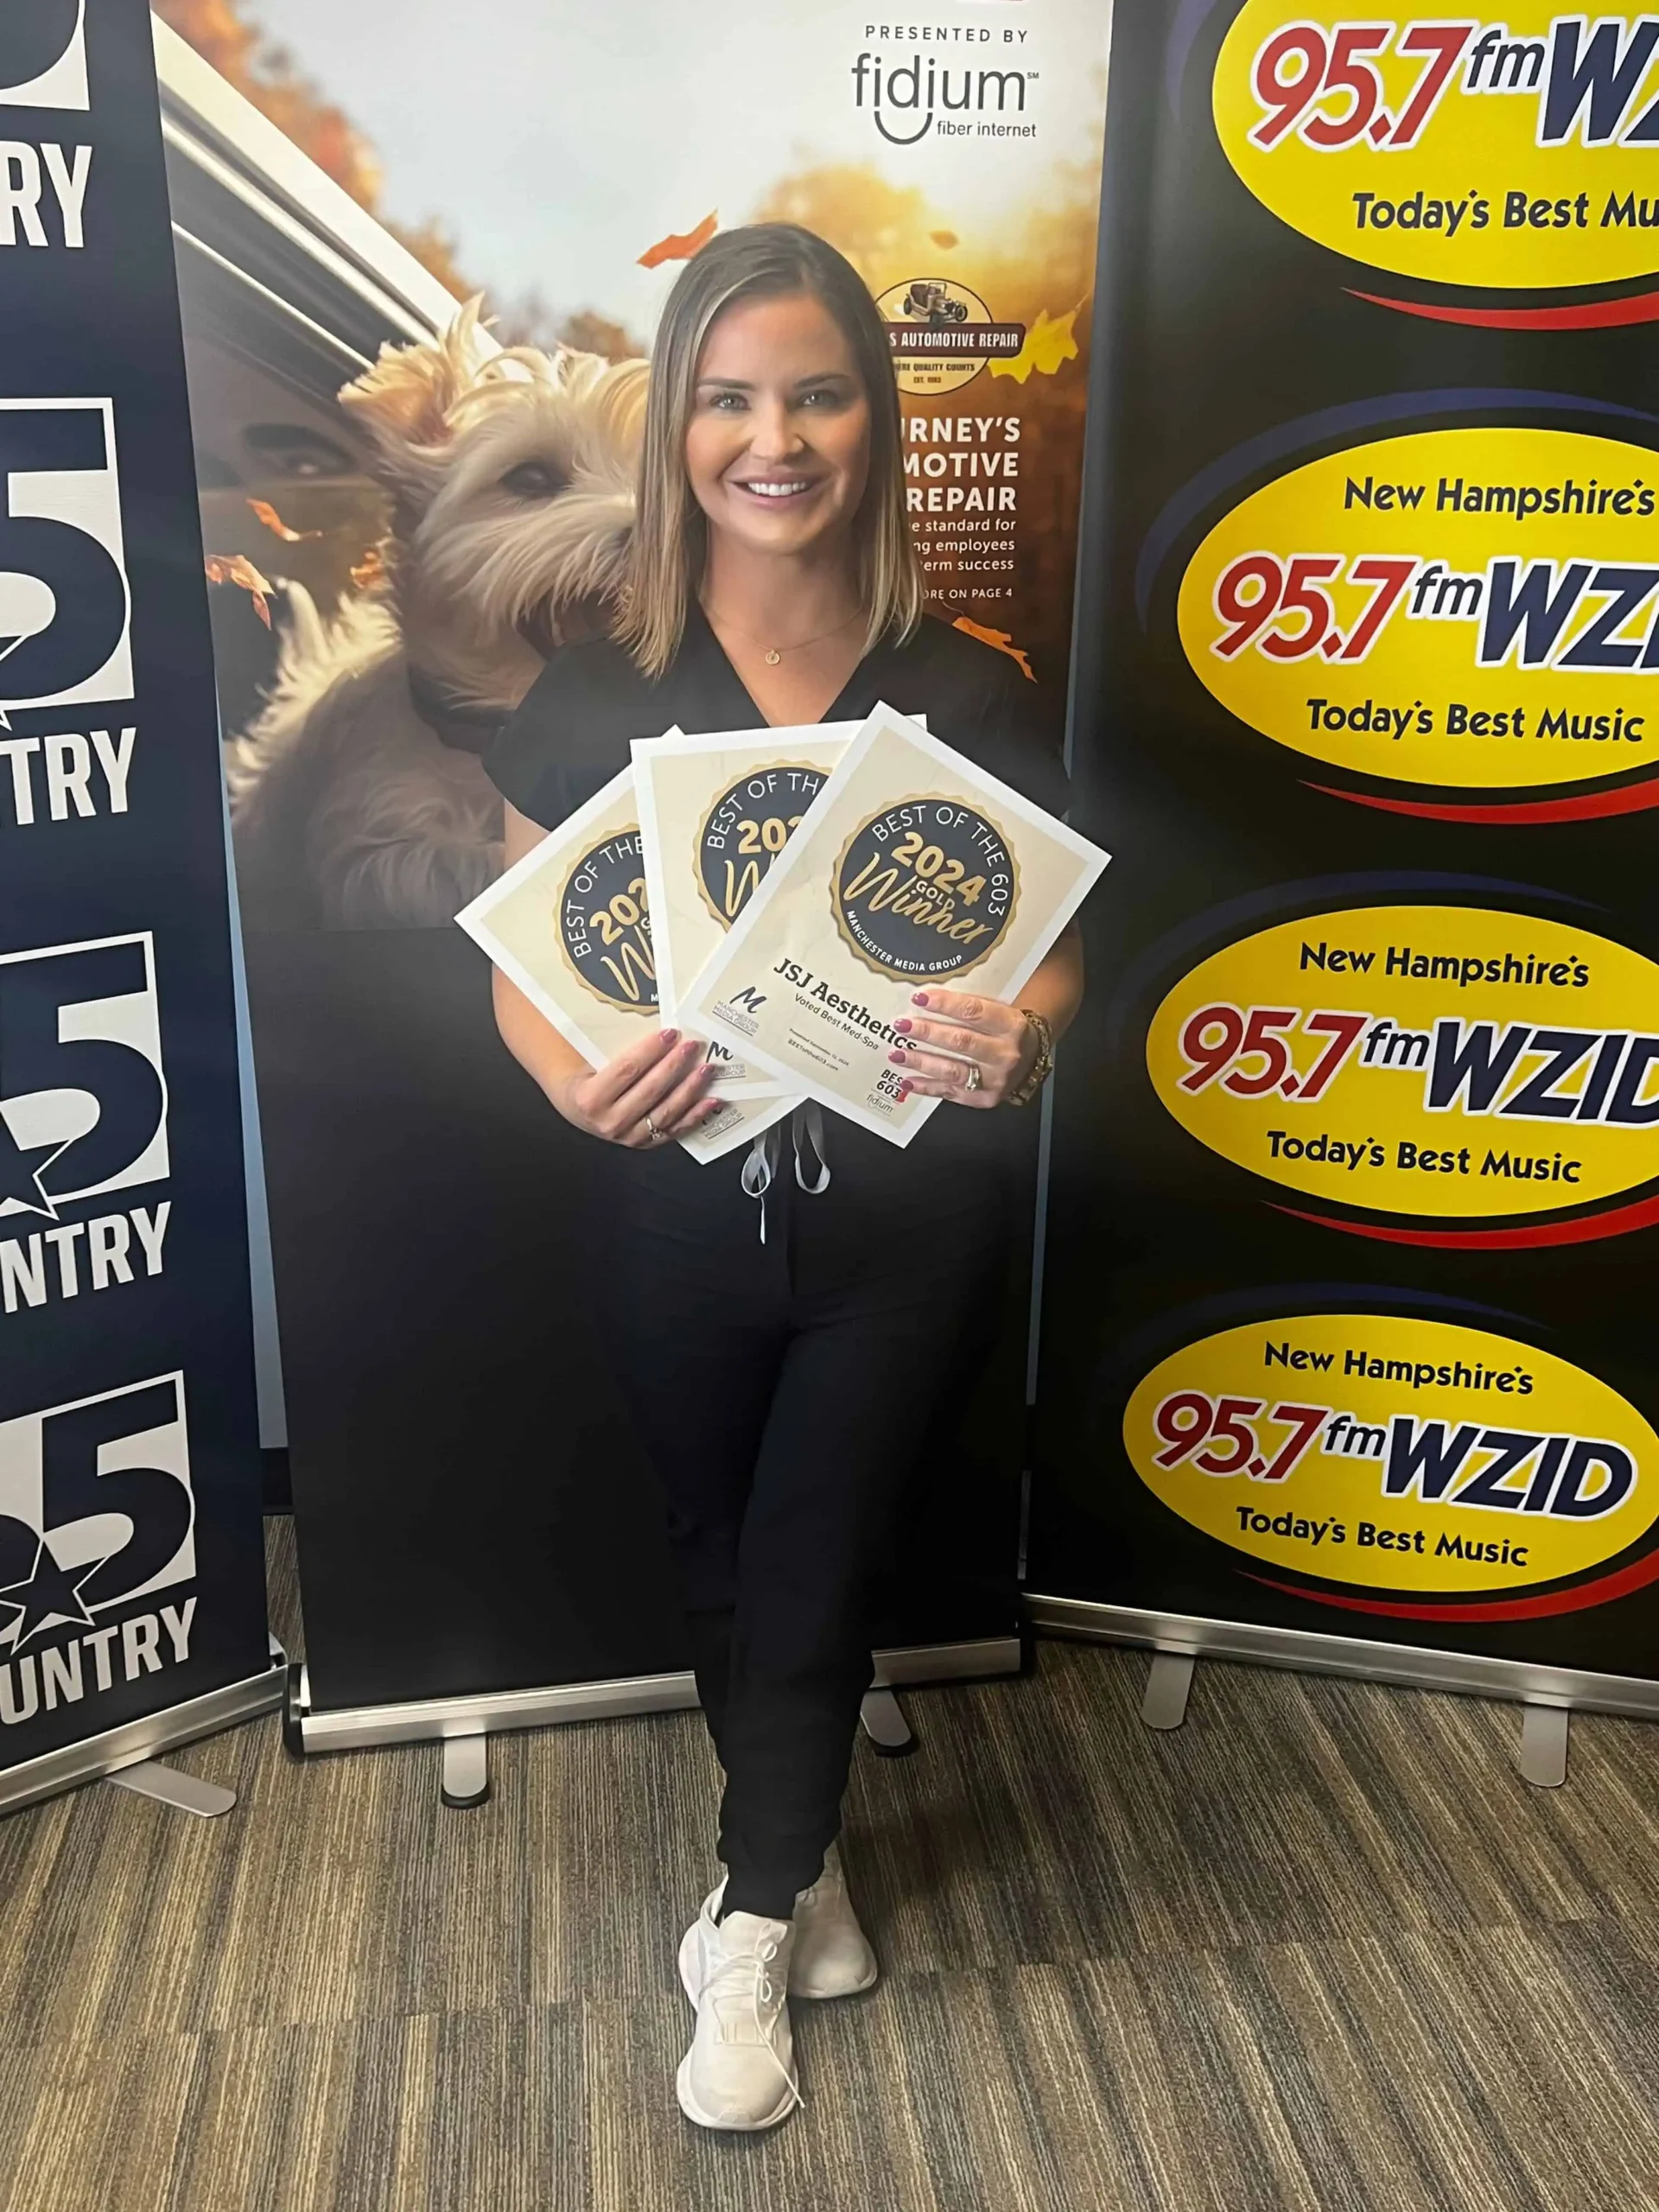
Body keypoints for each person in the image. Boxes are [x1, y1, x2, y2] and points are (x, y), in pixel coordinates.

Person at [485, 222, 1085, 2132]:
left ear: (871, 419)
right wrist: (579, 1083)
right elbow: (517, 955)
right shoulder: (595, 687)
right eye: (731, 397)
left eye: (817, 392)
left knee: (814, 1545)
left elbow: (1041, 937)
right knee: (721, 1547)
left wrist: (1029, 1031)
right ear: (676, 426)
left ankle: (747, 1915)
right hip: (667, 1208)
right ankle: (799, 1847)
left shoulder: (966, 677)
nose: (776, 438)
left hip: (905, 1223)